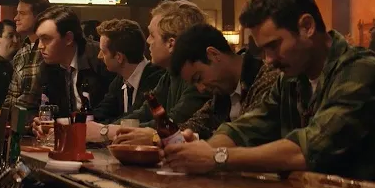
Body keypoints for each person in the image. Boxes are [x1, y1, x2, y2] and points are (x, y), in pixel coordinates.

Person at [164, 0, 375, 181]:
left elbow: (307, 149)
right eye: (264, 50)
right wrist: (199, 152)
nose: (268, 60)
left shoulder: (360, 69)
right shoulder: (291, 78)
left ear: (307, 26)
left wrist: (217, 157)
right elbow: (246, 128)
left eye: (273, 46)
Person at [115, 23, 279, 145]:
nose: (201, 89)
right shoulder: (221, 95)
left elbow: (247, 135)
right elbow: (194, 126)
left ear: (213, 54)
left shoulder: (266, 77)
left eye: (198, 78)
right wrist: (159, 137)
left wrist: (156, 138)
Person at [88, 0, 210, 144]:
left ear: (171, 43)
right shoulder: (170, 74)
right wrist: (105, 130)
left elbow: (173, 123)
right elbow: (146, 112)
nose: (147, 41)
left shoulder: (201, 79)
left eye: (152, 35)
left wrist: (106, 131)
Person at [30, 6, 114, 127]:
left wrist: (64, 123)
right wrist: (35, 122)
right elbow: (30, 107)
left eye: (46, 39)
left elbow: (113, 110)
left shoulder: (100, 59)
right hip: (67, 134)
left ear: (68, 38)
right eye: (39, 39)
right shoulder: (47, 66)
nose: (40, 46)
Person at [92, 18, 163, 124]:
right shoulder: (119, 80)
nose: (99, 56)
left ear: (119, 57)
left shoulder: (157, 79)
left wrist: (107, 127)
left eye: (103, 52)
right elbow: (99, 114)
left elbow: (138, 119)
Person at [2, 0, 51, 116]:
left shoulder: (50, 49)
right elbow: (12, 95)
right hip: (18, 121)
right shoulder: (21, 52)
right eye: (17, 13)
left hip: (42, 121)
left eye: (22, 13)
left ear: (39, 16)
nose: (16, 18)